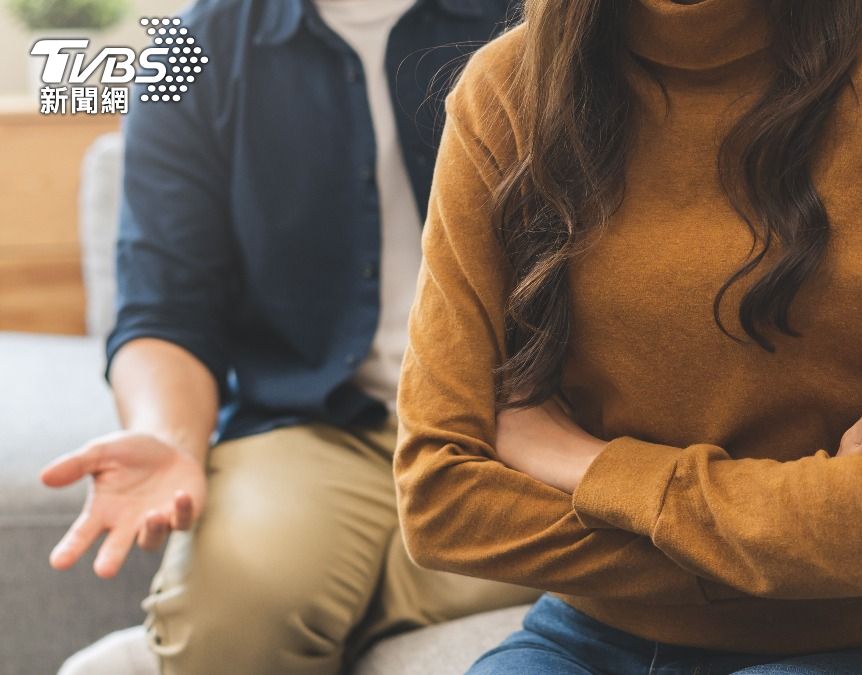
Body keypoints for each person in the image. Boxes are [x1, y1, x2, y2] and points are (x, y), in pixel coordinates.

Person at [394, 0, 862, 673]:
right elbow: (442, 498)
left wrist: (590, 464)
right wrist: (814, 516)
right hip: (592, 630)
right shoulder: (507, 91)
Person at [40, 0, 537, 673]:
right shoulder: (188, 47)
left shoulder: (535, 18)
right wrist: (167, 436)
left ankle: (260, 629)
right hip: (312, 426)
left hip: (520, 420)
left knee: (614, 558)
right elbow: (164, 309)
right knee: (236, 608)